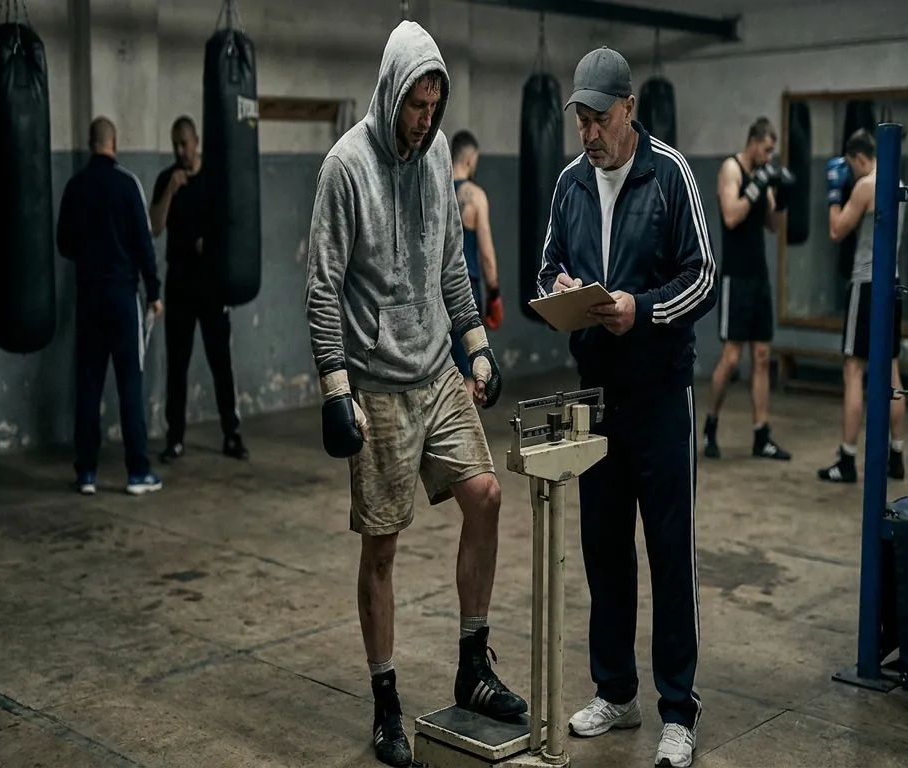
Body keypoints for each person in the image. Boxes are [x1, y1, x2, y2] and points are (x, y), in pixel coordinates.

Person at [304, 20, 526, 768]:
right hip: (379, 387)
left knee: (487, 496)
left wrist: (477, 345)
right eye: (415, 105)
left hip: (437, 374)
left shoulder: (435, 163)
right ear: (391, 91)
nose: (426, 119)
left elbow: (452, 264)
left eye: (435, 106)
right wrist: (336, 389)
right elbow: (322, 285)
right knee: (383, 545)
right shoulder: (345, 167)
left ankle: (471, 665)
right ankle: (386, 702)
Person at [536, 46, 716, 768]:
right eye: (580, 119)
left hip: (660, 394)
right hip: (596, 399)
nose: (588, 134)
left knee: (669, 554)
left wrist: (643, 310)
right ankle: (616, 691)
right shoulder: (569, 185)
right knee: (603, 550)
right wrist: (566, 290)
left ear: (629, 111)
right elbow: (546, 266)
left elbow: (702, 275)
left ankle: (679, 710)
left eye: (599, 119)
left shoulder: (669, 175)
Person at [56, 117, 164, 496]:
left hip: (88, 297)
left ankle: (86, 473)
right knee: (130, 383)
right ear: (114, 143)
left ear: (90, 143)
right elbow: (144, 243)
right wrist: (154, 291)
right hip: (122, 298)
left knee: (88, 384)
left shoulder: (75, 186)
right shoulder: (127, 184)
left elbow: (64, 244)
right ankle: (137, 473)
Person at [149, 116, 248, 464]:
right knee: (177, 363)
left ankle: (231, 433)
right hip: (179, 284)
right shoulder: (167, 178)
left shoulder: (214, 177)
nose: (180, 150)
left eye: (184, 143)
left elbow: (231, 223)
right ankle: (174, 437)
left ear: (196, 141)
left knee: (220, 361)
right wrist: (170, 192)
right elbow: (155, 227)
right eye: (175, 144)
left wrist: (215, 245)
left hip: (211, 285)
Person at [819, 128, 907, 483]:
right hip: (893, 285)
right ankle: (897, 455)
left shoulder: (865, 184)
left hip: (866, 285)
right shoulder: (896, 181)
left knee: (853, 371)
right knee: (892, 371)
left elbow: (836, 230)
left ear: (858, 157)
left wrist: (833, 194)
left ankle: (847, 459)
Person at [702, 117, 792, 461]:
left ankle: (761, 434)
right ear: (753, 142)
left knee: (762, 357)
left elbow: (771, 224)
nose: (769, 156)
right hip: (735, 277)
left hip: (759, 276)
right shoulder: (732, 169)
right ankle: (711, 423)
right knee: (733, 356)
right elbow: (730, 215)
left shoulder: (763, 172)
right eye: (766, 149)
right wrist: (756, 187)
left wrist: (781, 198)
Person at [448, 130, 504, 396]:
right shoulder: (476, 196)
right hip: (466, 291)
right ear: (470, 160)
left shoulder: (436, 191)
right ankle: (464, 436)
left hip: (437, 292)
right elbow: (486, 253)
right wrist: (494, 292)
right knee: (471, 373)